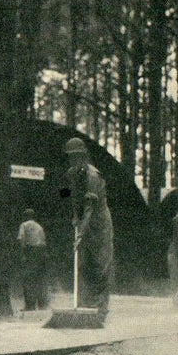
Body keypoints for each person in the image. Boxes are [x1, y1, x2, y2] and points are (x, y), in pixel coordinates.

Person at [62, 137, 114, 319]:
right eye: (70, 157)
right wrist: (75, 217)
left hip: (99, 223)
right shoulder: (71, 174)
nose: (73, 160)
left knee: (101, 265)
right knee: (83, 263)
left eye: (77, 156)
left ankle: (100, 311)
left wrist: (81, 232)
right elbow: (74, 199)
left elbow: (90, 207)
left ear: (84, 156)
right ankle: (84, 306)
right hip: (85, 219)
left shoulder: (93, 176)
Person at [17, 209, 49, 311]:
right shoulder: (39, 226)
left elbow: (21, 238)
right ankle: (42, 304)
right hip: (41, 253)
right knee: (39, 278)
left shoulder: (24, 225)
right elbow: (43, 241)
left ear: (25, 216)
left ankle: (29, 305)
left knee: (28, 278)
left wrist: (22, 254)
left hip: (30, 251)